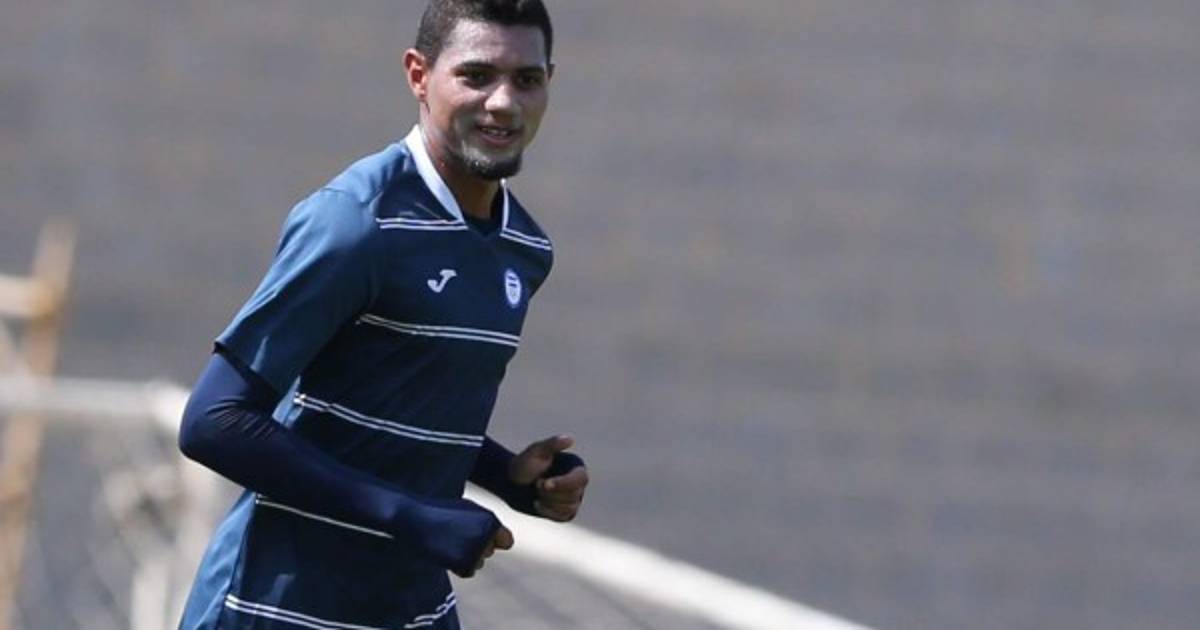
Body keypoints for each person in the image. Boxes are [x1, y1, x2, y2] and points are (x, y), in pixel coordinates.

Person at [176, 1, 587, 628]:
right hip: (276, 606)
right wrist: (410, 516)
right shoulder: (357, 222)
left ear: (549, 84)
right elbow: (214, 420)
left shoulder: (524, 248)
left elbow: (392, 403)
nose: (504, 102)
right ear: (419, 75)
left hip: (410, 606)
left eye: (525, 79)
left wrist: (508, 475)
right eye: (476, 76)